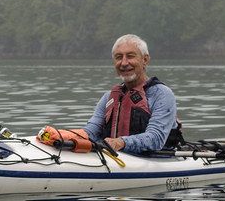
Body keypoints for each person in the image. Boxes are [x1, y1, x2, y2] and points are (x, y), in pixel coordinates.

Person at [39, 34, 182, 154]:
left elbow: (156, 139)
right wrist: (62, 135)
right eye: (119, 57)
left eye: (130, 56)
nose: (124, 63)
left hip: (158, 159)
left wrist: (120, 142)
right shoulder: (109, 97)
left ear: (145, 60)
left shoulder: (162, 94)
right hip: (117, 157)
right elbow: (91, 132)